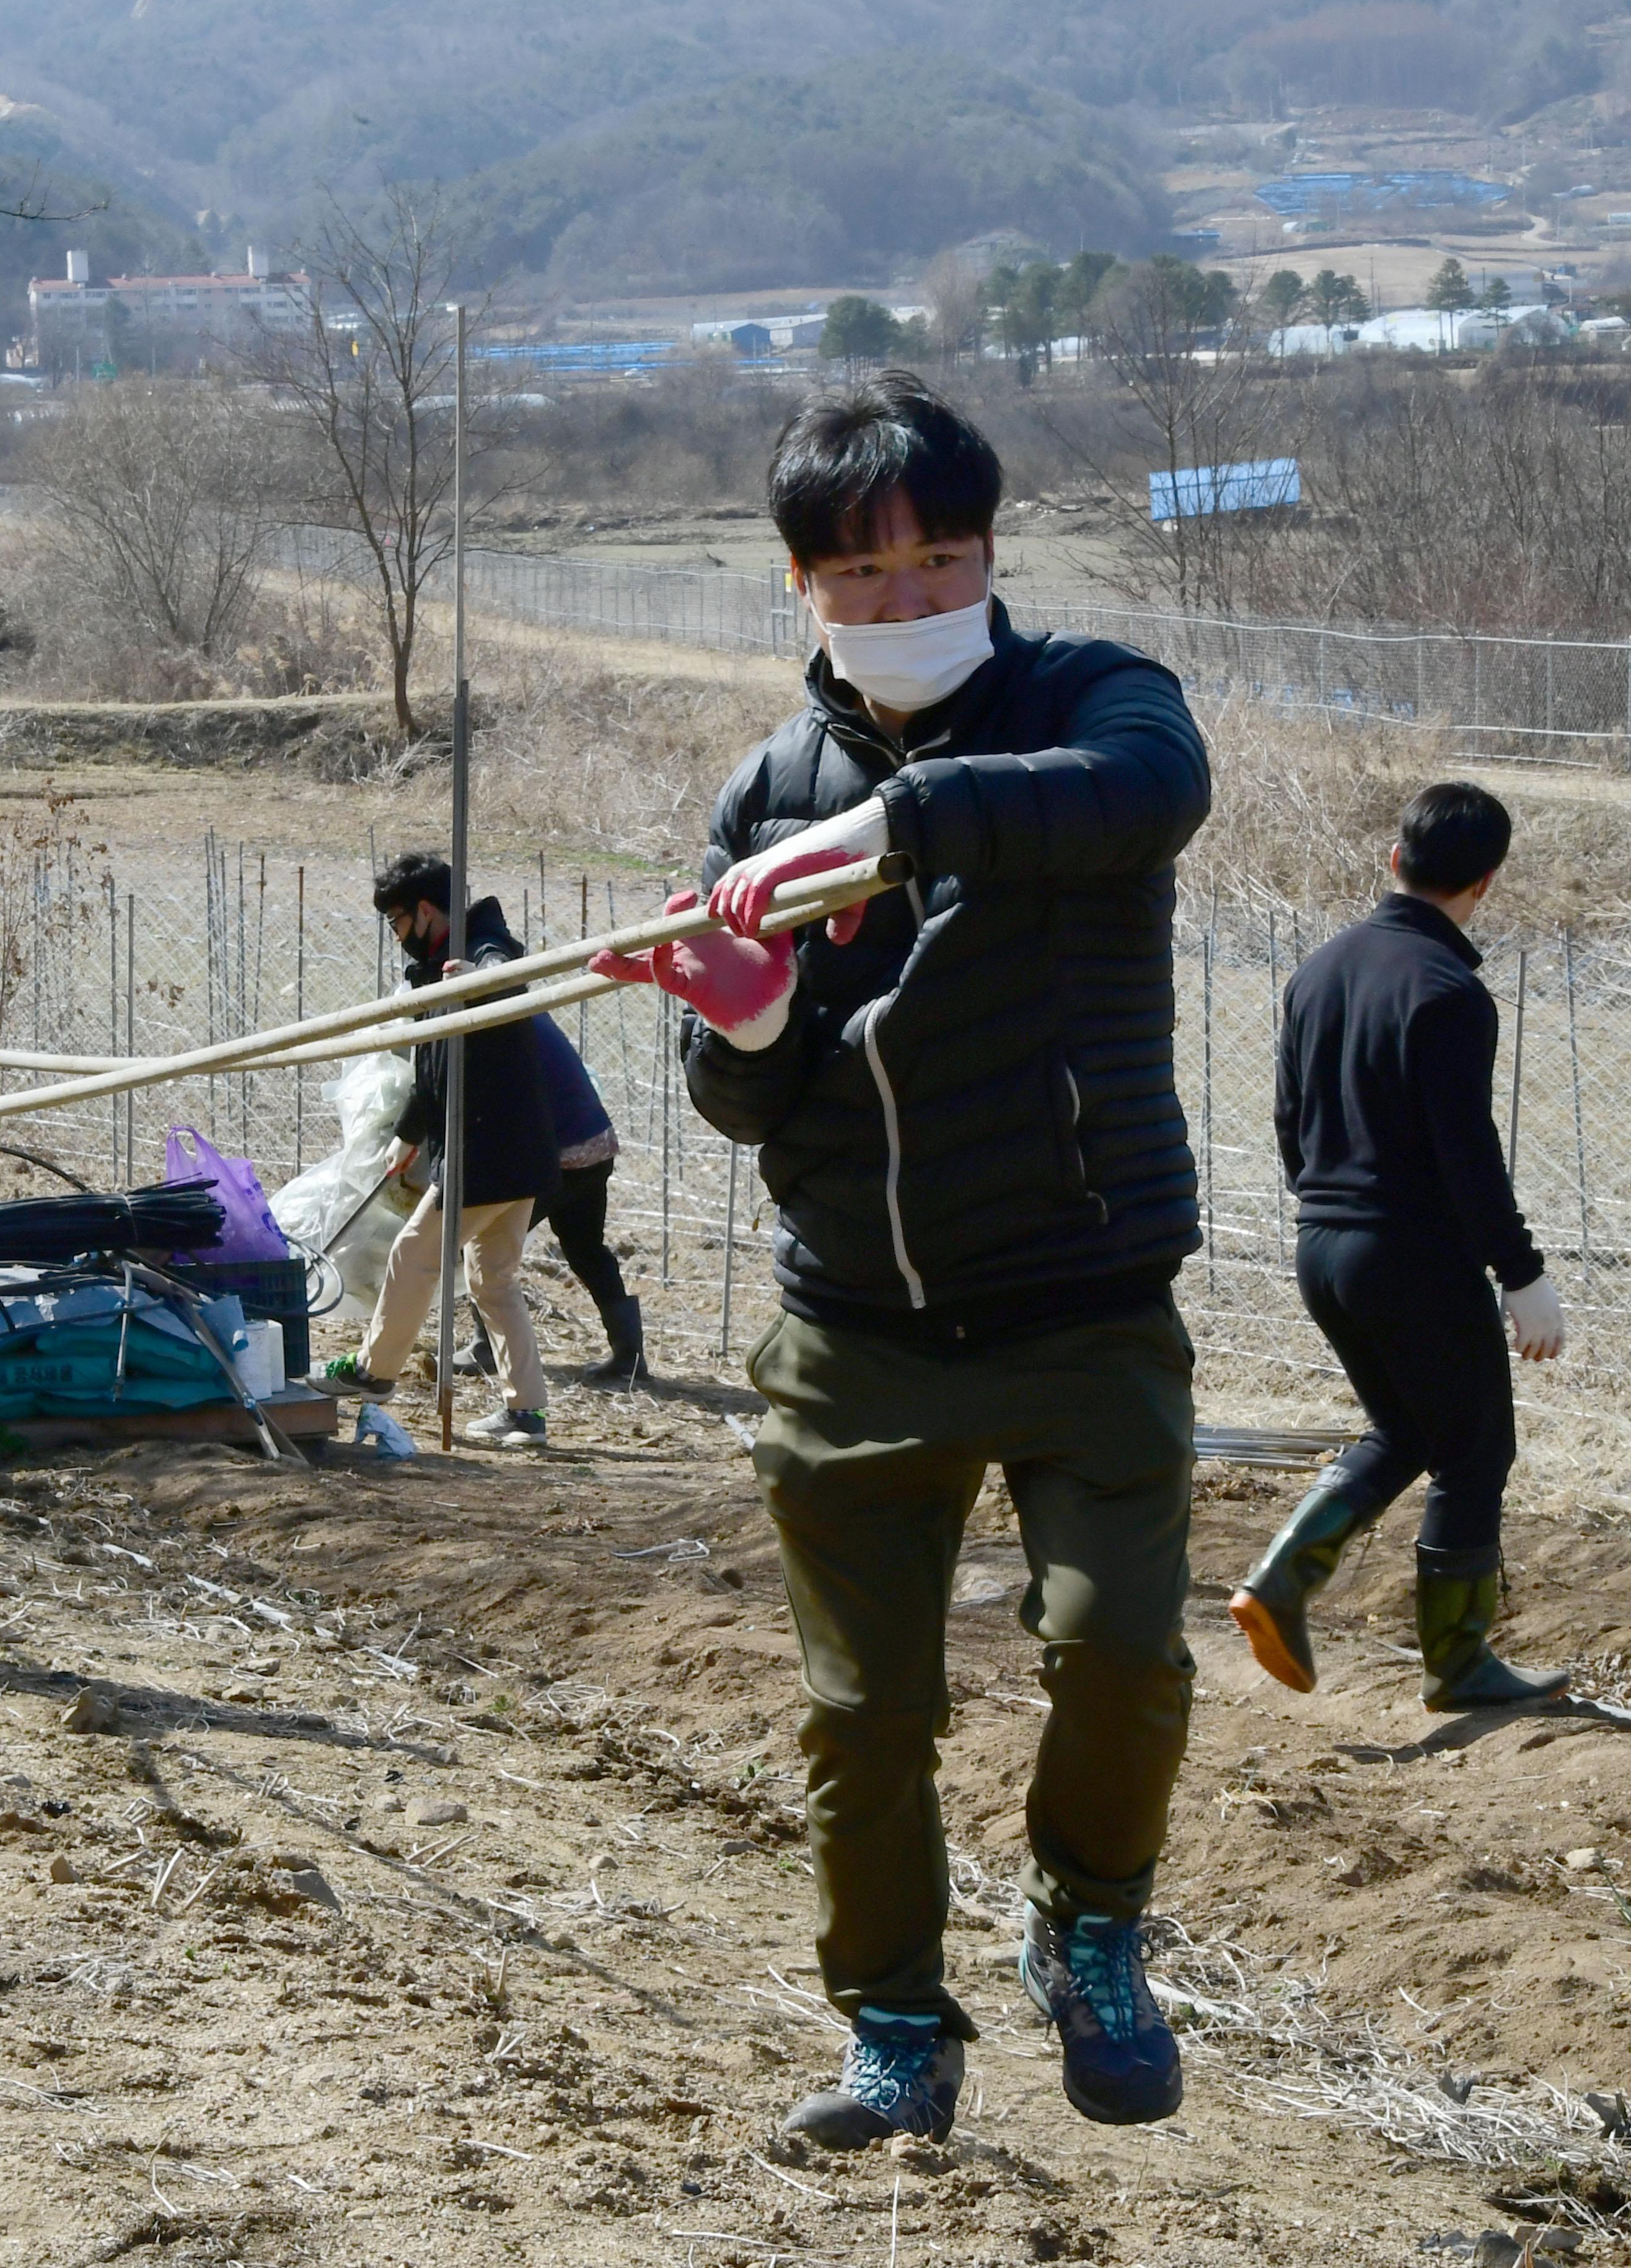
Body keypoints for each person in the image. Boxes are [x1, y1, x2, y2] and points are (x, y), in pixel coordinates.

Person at [592, 370, 1209, 2147]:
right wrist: (751, 1009)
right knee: (866, 1723)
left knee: (1118, 1658)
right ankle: (893, 2029)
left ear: (992, 554)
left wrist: (901, 827)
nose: (910, 602)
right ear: (803, 589)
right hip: (853, 1330)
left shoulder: (1097, 701)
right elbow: (738, 1100)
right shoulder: (763, 789)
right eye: (864, 578)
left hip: (1087, 1302)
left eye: (941, 560)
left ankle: (1087, 1926)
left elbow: (1146, 793)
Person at [1238, 781, 1570, 1712]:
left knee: (1410, 1429)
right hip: (1411, 1256)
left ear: (1395, 861)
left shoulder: (1319, 970)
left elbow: (1289, 1123)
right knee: (1473, 1453)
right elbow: (1469, 1156)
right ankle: (1459, 1666)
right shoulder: (1450, 993)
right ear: (1489, 883)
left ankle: (1279, 1581)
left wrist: (1333, 1211)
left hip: (1322, 1247)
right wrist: (1523, 1274)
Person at [322, 854, 557, 1449]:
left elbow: (507, 974)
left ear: (426, 911)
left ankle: (375, 1373)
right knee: (493, 1280)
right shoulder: (436, 968)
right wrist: (408, 1133)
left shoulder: (484, 946)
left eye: (397, 921)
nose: (396, 936)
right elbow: (436, 1067)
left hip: (488, 1153)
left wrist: (472, 979)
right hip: (518, 1153)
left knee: (413, 1255)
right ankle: (527, 1411)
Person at [455, 1014, 646, 1387]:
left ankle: (487, 1348)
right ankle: (630, 1358)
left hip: (555, 1153)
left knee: (483, 1243)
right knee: (587, 1249)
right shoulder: (529, 1012)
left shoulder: (488, 1027)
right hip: (594, 1144)